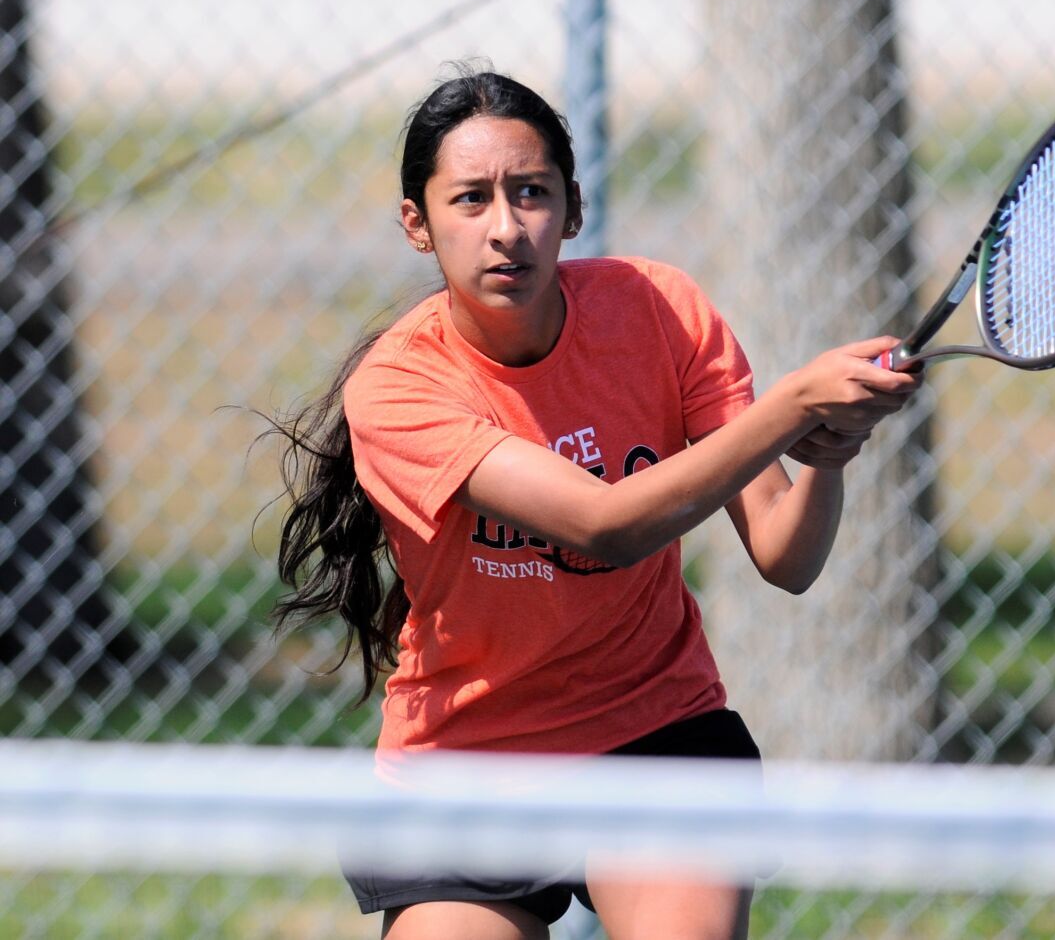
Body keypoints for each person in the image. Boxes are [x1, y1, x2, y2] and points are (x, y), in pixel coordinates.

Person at [271, 68, 921, 940]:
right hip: (466, 763)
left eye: (532, 193)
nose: (506, 229)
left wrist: (829, 457)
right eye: (470, 200)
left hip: (654, 731)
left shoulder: (659, 310)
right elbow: (605, 527)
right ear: (417, 225)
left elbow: (786, 556)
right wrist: (794, 407)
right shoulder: (397, 386)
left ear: (572, 210)